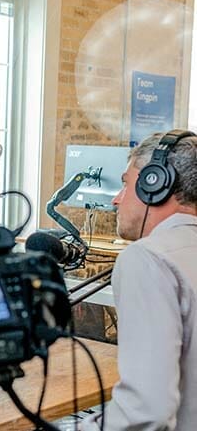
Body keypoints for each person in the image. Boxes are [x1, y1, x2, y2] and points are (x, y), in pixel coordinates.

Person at [82, 129, 197, 430]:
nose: (116, 200)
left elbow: (145, 411)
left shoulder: (149, 258)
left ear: (154, 184)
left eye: (125, 184)